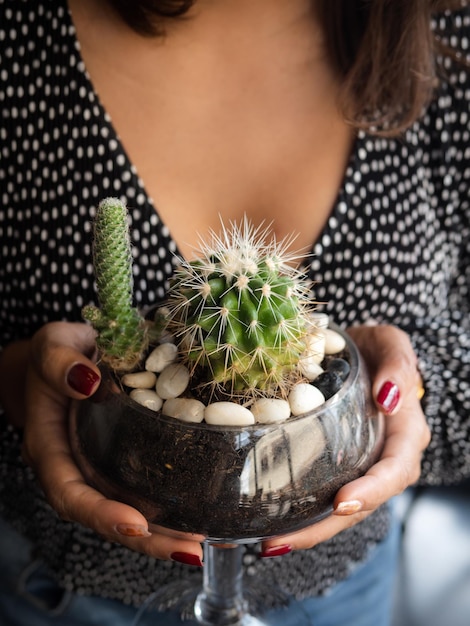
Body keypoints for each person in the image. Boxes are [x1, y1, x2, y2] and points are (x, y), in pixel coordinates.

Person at [0, 0, 469, 624]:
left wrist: (412, 393)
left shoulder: (441, 25)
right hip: (64, 594)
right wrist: (14, 377)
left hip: (341, 599)